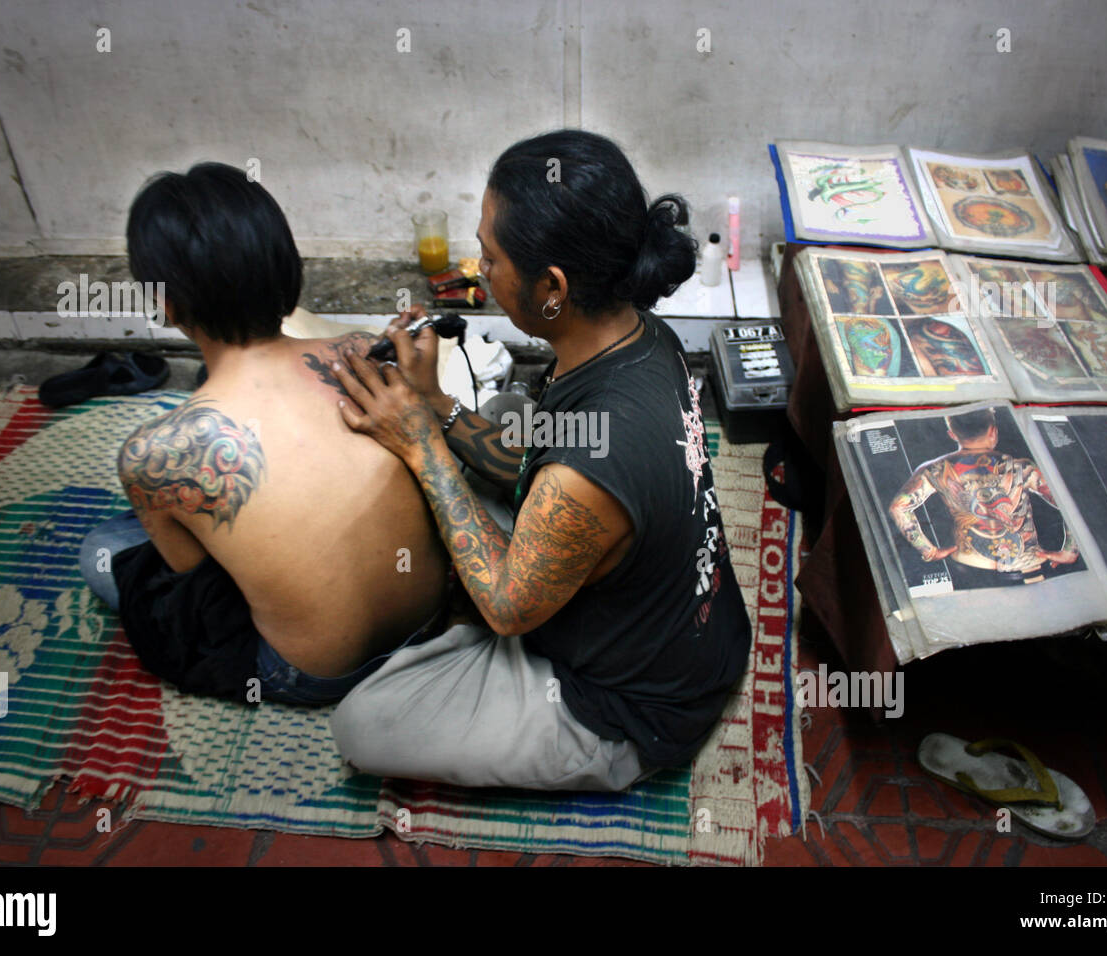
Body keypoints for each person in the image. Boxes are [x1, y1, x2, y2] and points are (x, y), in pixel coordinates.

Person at [326, 130, 752, 791]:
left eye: (490, 257)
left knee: (364, 722)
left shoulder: (585, 472)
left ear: (551, 286)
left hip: (629, 710)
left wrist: (420, 445)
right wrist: (436, 403)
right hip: (678, 623)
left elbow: (504, 605)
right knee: (502, 416)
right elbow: (541, 449)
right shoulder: (641, 336)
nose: (480, 271)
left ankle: (482, 664)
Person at [79, 162, 450, 705]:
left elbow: (207, 591)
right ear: (283, 268)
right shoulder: (363, 351)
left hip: (317, 673)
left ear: (165, 302)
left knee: (104, 547)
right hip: (429, 622)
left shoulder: (151, 451)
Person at [888, 407, 1078, 586]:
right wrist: (1070, 551)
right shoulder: (1022, 467)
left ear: (953, 435)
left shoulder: (934, 470)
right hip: (1028, 569)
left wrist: (929, 551)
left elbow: (898, 507)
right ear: (993, 431)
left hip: (971, 571)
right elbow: (1069, 502)